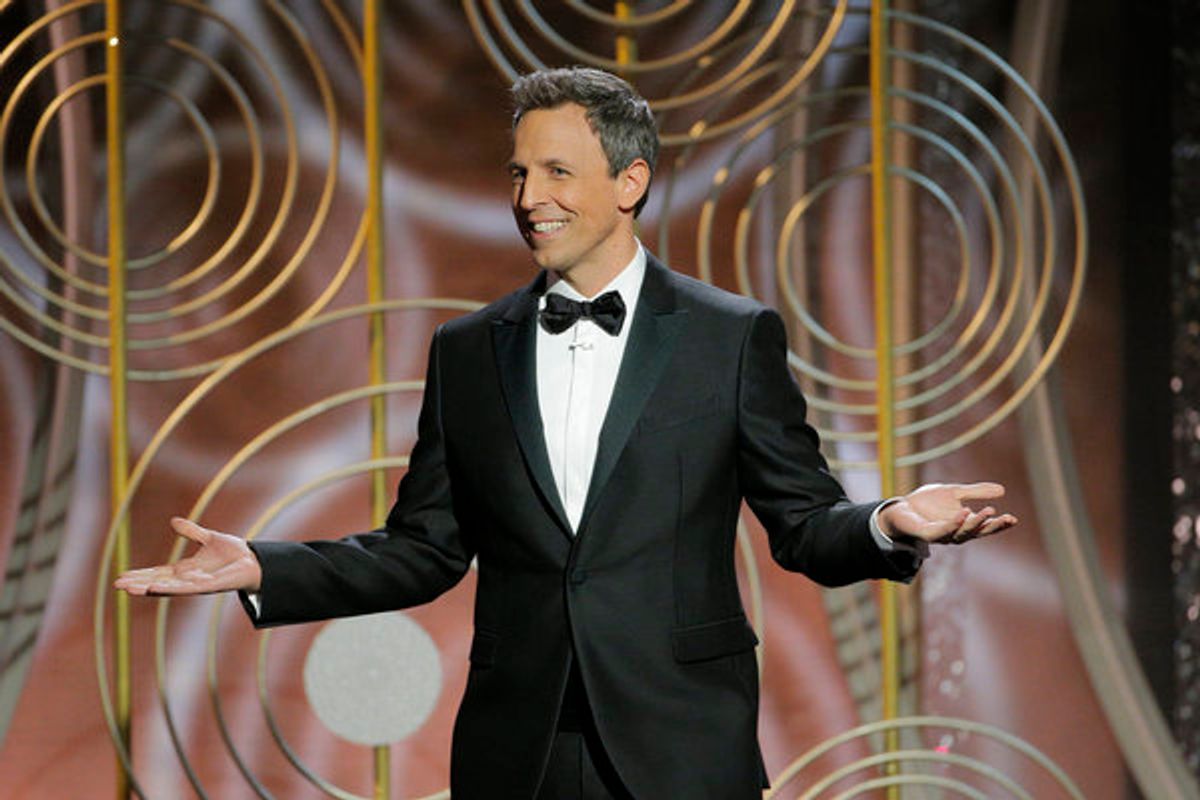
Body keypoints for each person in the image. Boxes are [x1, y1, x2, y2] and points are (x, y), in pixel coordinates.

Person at [116, 66, 1016, 799]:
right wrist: (265, 566)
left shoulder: (730, 337)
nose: (529, 198)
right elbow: (424, 549)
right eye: (518, 173)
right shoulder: (469, 351)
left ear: (631, 182)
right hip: (520, 752)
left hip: (682, 747)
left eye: (555, 172)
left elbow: (805, 525)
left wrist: (888, 522)